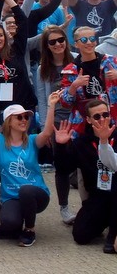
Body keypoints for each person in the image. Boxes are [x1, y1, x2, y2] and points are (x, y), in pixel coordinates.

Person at [0, 77, 54, 247]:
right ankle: (4, 201)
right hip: (12, 196)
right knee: (10, 224)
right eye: (19, 117)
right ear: (8, 122)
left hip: (36, 194)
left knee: (26, 190)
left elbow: (48, 132)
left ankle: (30, 230)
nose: (24, 120)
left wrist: (51, 105)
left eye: (26, 117)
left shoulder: (32, 140)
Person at [54, 98, 117, 254]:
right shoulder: (81, 143)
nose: (102, 119)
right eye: (97, 116)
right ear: (88, 120)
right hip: (99, 196)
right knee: (81, 235)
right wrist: (61, 146)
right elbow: (63, 169)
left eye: (105, 115)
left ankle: (112, 236)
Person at [36, 25, 76, 225]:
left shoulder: (76, 60)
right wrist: (46, 128)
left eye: (61, 40)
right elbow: (42, 100)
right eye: (52, 42)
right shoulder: (43, 69)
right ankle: (64, 207)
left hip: (79, 120)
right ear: (47, 46)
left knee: (85, 164)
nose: (58, 44)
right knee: (62, 167)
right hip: (58, 122)